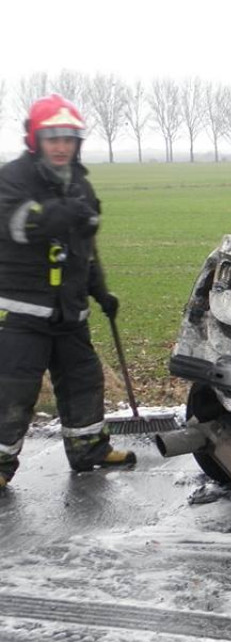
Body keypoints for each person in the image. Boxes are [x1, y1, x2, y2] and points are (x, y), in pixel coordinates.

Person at [0, 94, 136, 491]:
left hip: (71, 311)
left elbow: (84, 249)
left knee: (83, 380)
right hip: (25, 311)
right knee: (14, 390)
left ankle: (89, 449)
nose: (61, 146)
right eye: (53, 138)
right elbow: (16, 224)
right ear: (36, 140)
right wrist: (60, 213)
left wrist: (100, 291)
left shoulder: (80, 182)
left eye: (69, 139)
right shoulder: (13, 178)